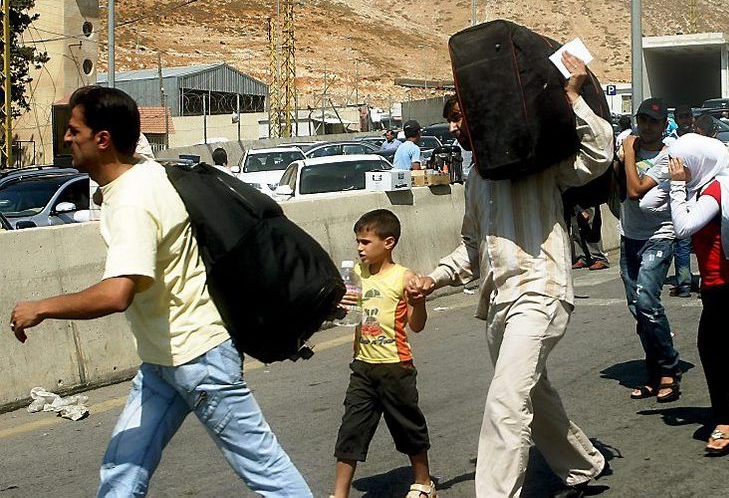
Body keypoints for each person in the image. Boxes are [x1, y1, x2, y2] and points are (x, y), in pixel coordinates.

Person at [8, 86, 311, 496]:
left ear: (103, 139)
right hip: (163, 359)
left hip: (198, 357)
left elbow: (117, 293)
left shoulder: (132, 201)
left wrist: (42, 307)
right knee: (122, 468)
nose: (66, 138)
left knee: (267, 472)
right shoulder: (147, 172)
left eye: (73, 130)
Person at [410, 51, 609, 498]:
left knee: (505, 400)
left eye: (460, 117)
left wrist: (573, 98)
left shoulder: (537, 162)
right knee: (533, 395)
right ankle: (582, 465)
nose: (454, 127)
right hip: (499, 304)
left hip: (540, 289)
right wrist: (434, 277)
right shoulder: (477, 179)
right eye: (451, 121)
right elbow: (472, 248)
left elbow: (598, 154)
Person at [655, 134, 729, 455]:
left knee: (710, 347)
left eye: (682, 163)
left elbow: (684, 227)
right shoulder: (699, 188)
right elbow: (645, 204)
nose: (677, 168)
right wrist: (668, 180)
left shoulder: (714, 190)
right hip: (720, 281)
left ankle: (725, 420)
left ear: (697, 164)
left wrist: (675, 186)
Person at [332, 209, 435, 498]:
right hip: (363, 366)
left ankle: (423, 483)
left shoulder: (405, 277)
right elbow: (346, 316)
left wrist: (420, 301)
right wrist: (340, 302)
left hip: (396, 366)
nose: (359, 248)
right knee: (351, 429)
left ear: (388, 242)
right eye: (357, 242)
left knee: (407, 427)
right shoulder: (355, 274)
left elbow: (417, 325)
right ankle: (339, 493)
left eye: (365, 242)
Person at [618, 98, 683, 402]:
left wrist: (628, 154)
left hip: (659, 234)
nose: (646, 127)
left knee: (646, 300)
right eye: (642, 120)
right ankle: (655, 372)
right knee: (638, 309)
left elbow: (635, 190)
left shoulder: (670, 155)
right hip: (629, 235)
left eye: (653, 122)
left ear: (663, 125)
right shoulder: (624, 144)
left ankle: (670, 368)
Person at [667, 105, 696, 297]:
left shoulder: (699, 138)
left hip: (700, 195)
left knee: (704, 241)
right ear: (676, 119)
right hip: (680, 195)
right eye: (681, 117)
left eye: (688, 116)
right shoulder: (669, 142)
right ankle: (684, 283)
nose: (685, 120)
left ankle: (707, 283)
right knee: (682, 242)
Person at [569, 204, 610, 270]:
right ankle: (582, 257)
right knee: (575, 228)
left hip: (587, 198)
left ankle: (599, 258)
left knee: (590, 225)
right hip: (573, 199)